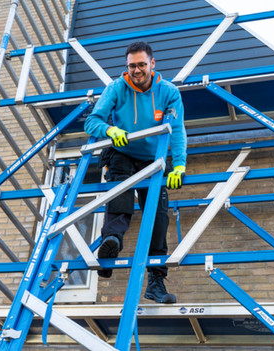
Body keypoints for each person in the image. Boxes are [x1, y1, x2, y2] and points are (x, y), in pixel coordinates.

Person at [84, 41, 187, 304]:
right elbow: (91, 121)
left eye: (142, 65)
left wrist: (179, 165)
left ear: (153, 64)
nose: (137, 70)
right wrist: (110, 130)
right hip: (123, 151)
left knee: (158, 214)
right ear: (126, 66)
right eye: (132, 66)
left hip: (153, 159)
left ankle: (155, 282)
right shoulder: (117, 88)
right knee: (121, 188)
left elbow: (176, 130)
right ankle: (111, 243)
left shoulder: (169, 92)